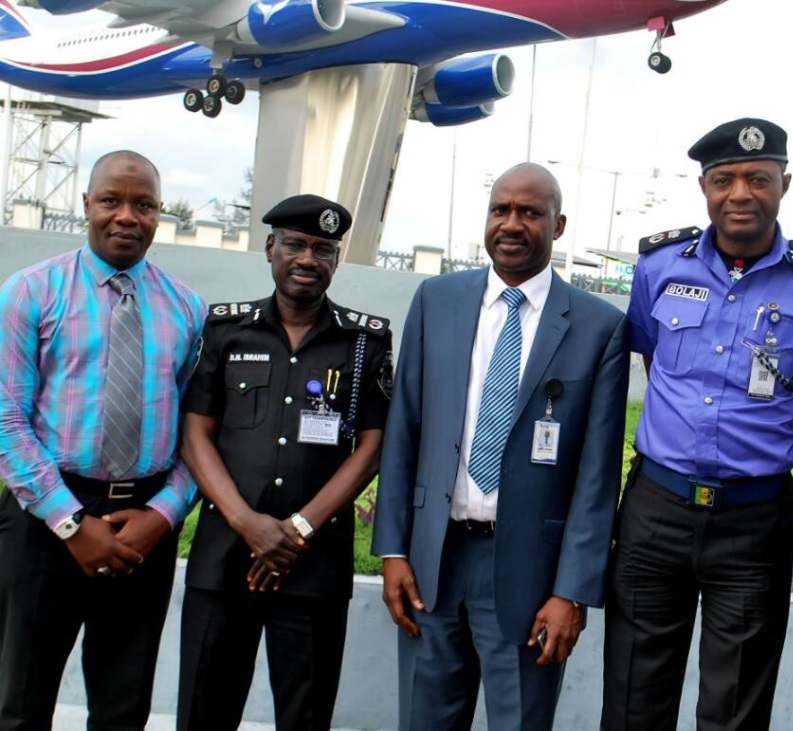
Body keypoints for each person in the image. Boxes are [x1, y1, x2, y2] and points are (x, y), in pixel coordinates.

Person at [602, 118, 793, 731]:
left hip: (753, 521)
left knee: (736, 705)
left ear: (784, 185)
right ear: (705, 188)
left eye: (758, 179)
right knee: (635, 692)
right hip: (655, 511)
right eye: (725, 180)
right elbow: (653, 360)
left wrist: (747, 446)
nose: (740, 193)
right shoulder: (659, 265)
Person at [372, 162, 630, 730]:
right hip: (431, 564)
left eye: (529, 213)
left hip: (529, 577)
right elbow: (404, 431)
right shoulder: (435, 299)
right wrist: (392, 549)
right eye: (500, 210)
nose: (511, 224)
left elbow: (596, 477)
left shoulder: (598, 327)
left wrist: (572, 591)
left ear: (557, 226)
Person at [0, 150, 206, 730]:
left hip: (142, 525)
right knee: (19, 702)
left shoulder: (188, 310)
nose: (126, 216)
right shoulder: (30, 292)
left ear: (159, 215)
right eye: (111, 201)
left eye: (143, 205)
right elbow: (6, 420)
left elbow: (196, 435)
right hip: (45, 521)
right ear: (86, 205)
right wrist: (69, 521)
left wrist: (164, 515)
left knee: (123, 708)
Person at [176, 194, 393, 730]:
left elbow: (372, 446)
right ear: (270, 248)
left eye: (323, 249)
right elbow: (195, 434)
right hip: (225, 558)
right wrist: (246, 522)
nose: (307, 259)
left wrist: (297, 529)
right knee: (205, 709)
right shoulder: (226, 330)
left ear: (336, 261)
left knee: (305, 715)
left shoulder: (364, 341)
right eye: (294, 244)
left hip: (312, 565)